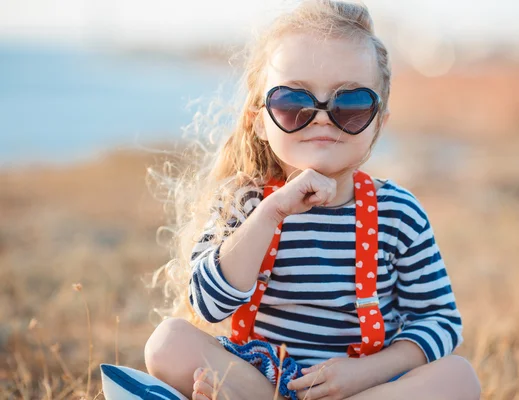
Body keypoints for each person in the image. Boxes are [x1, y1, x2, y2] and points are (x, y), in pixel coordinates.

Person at [144, 1, 481, 399]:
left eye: (350, 103)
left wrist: (366, 372)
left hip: (363, 388)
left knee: (458, 378)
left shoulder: (398, 213)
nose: (321, 117)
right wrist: (270, 212)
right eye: (293, 102)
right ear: (261, 122)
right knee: (167, 343)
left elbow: (439, 319)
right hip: (263, 379)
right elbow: (207, 307)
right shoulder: (245, 202)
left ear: (378, 124)